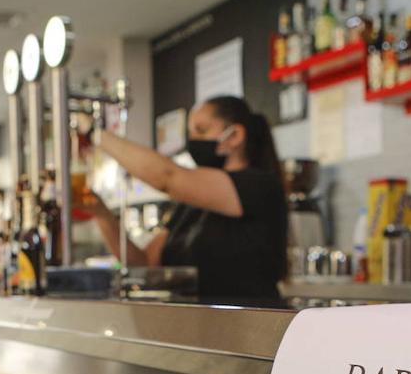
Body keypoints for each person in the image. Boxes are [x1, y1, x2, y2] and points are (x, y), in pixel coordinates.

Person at [89, 95, 288, 303]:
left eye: (201, 130)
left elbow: (167, 177)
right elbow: (144, 263)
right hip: (197, 322)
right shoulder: (190, 205)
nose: (192, 140)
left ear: (235, 135)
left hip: (249, 320)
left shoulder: (259, 186)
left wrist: (95, 133)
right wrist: (101, 213)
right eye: (190, 133)